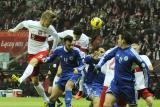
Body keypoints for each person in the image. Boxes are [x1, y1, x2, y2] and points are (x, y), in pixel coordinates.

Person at [9, 10, 59, 105]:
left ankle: (19, 80)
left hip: (43, 51)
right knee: (35, 81)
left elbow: (57, 37)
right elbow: (22, 23)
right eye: (49, 22)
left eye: (51, 23)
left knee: (33, 61)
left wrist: (53, 49)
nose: (50, 24)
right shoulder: (32, 24)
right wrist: (14, 30)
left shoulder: (50, 28)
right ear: (44, 19)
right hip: (31, 53)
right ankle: (46, 100)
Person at [96, 31, 149, 107]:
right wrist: (99, 65)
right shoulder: (117, 49)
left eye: (119, 38)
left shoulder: (133, 53)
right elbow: (106, 56)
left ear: (123, 41)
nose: (118, 40)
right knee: (106, 104)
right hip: (115, 84)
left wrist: (146, 85)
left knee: (132, 105)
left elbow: (144, 68)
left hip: (128, 86)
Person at [49, 26, 90, 99]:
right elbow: (56, 35)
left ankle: (80, 91)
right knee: (59, 73)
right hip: (66, 56)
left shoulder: (85, 39)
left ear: (81, 35)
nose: (76, 38)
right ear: (73, 33)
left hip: (77, 58)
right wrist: (48, 39)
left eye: (78, 36)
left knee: (81, 72)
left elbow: (84, 52)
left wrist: (82, 61)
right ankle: (56, 89)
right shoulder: (67, 33)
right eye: (75, 36)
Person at [43, 35, 84, 107]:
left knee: (68, 86)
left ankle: (69, 105)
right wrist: (43, 59)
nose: (71, 46)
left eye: (73, 45)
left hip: (74, 74)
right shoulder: (59, 50)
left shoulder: (76, 51)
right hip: (63, 76)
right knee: (52, 99)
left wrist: (78, 69)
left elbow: (82, 65)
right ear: (65, 42)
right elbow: (50, 59)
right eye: (69, 45)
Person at [132, 43, 154, 107]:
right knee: (133, 104)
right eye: (132, 49)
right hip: (132, 84)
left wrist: (146, 67)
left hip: (142, 84)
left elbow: (151, 68)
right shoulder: (128, 58)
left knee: (150, 102)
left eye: (135, 49)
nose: (134, 50)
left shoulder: (144, 57)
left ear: (138, 50)